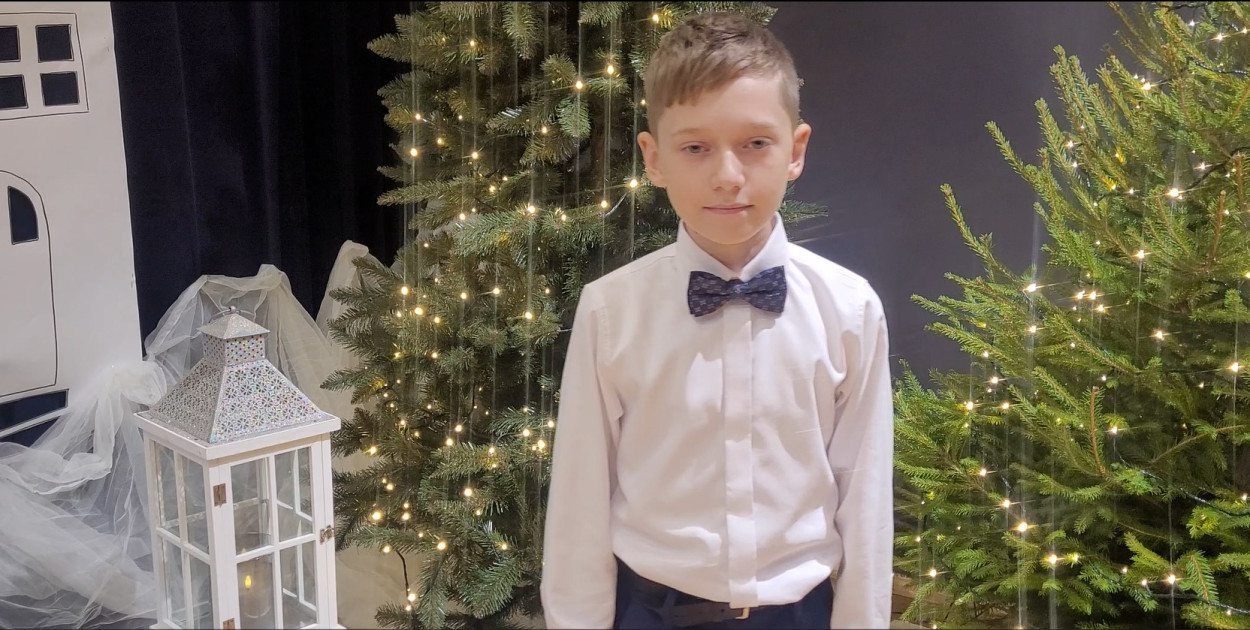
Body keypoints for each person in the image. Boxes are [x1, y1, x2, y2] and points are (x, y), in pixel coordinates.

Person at [541, 11, 894, 630]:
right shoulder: (610, 310)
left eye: (755, 144)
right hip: (649, 612)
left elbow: (865, 496)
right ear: (654, 159)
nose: (728, 176)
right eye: (695, 147)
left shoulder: (850, 309)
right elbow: (580, 499)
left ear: (795, 151)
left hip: (798, 615)